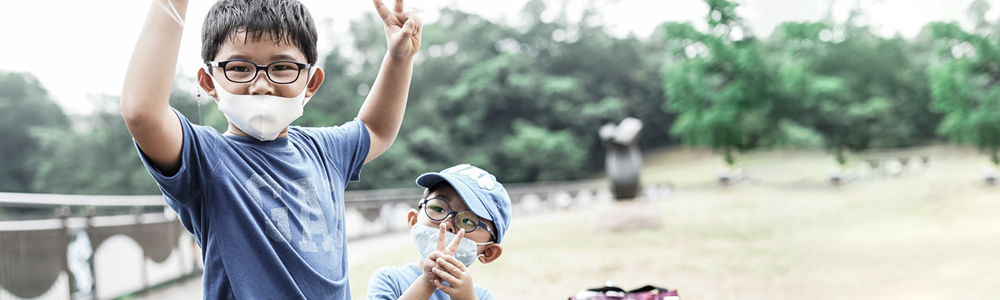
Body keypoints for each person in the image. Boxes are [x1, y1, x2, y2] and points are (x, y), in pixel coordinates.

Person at [120, 0, 422, 298]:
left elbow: (376, 129)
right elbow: (143, 113)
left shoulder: (323, 151)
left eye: (282, 67)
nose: (261, 85)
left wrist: (399, 57)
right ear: (209, 82)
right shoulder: (205, 158)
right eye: (239, 68)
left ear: (311, 82)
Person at [367, 164, 513, 300]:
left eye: (468, 221)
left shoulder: (481, 297)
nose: (447, 223)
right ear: (414, 221)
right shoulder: (389, 280)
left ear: (488, 252)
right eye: (438, 209)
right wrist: (427, 283)